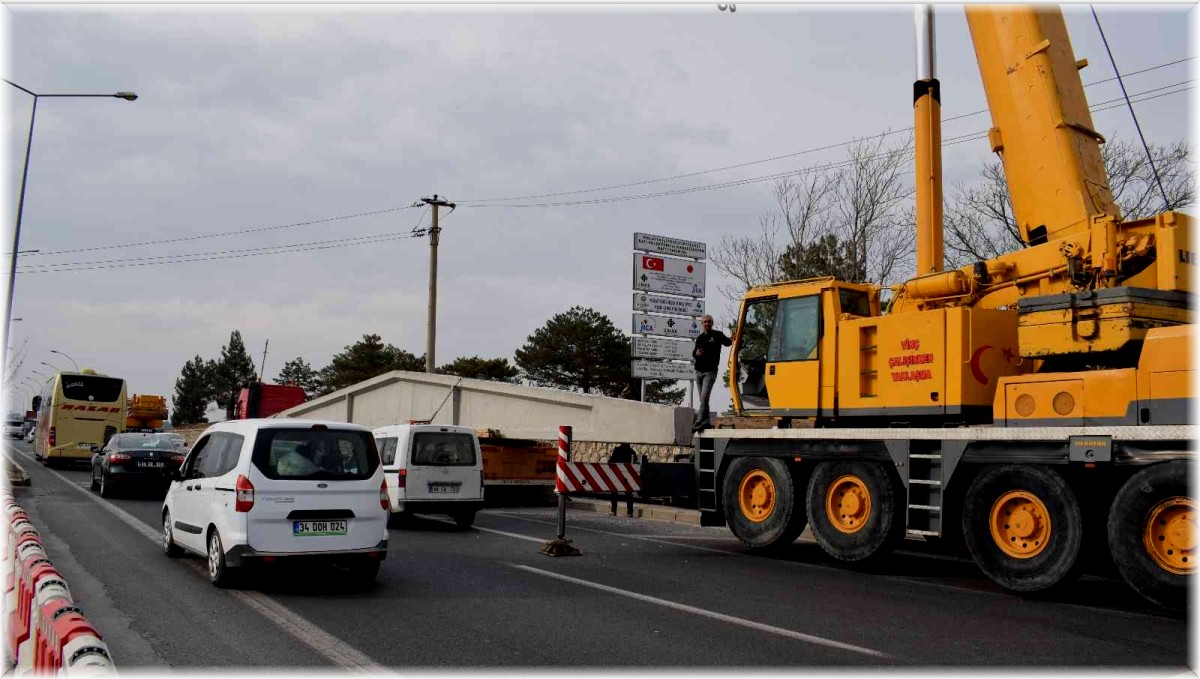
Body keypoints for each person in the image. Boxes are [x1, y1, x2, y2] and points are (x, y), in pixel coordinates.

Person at [692, 314, 731, 433]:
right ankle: (706, 422)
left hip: (710, 372)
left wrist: (733, 336)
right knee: (704, 399)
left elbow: (728, 342)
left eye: (709, 321)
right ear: (702, 324)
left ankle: (698, 421)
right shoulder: (699, 338)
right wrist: (696, 354)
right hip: (699, 372)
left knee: (704, 397)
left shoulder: (717, 335)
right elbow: (694, 353)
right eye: (705, 322)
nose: (707, 323)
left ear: (712, 323)